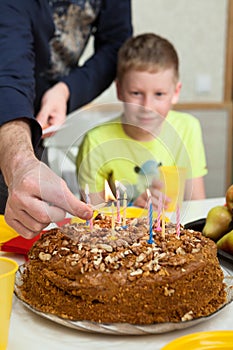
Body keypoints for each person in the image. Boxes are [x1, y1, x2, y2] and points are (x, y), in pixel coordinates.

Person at [0, 0, 132, 238]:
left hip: (37, 125)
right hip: (12, 120)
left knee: (28, 228)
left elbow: (116, 44)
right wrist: (21, 163)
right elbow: (8, 67)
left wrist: (66, 90)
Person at [76, 33, 207, 210]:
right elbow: (91, 217)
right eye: (136, 94)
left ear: (176, 92)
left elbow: (196, 205)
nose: (147, 107)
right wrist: (132, 209)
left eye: (159, 94)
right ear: (120, 90)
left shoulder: (188, 128)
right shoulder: (96, 141)